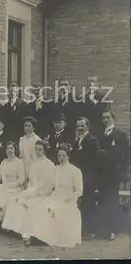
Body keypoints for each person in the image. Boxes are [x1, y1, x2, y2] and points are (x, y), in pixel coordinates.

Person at [23, 143, 83, 247]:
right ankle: (38, 236)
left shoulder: (75, 171)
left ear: (68, 156)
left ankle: (42, 239)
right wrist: (39, 194)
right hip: (55, 197)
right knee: (39, 207)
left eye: (63, 155)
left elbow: (79, 191)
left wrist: (68, 199)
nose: (61, 158)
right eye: (59, 155)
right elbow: (51, 186)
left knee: (49, 210)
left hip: (68, 200)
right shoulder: (56, 169)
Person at [1, 140, 56, 242]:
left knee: (26, 204)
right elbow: (31, 180)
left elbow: (49, 183)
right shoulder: (34, 163)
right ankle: (14, 228)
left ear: (45, 151)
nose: (37, 151)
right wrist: (30, 190)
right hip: (32, 189)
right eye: (36, 149)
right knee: (15, 199)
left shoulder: (49, 164)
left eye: (40, 149)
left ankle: (24, 230)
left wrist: (38, 192)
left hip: (42, 192)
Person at [93, 110, 130, 241]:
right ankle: (103, 229)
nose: (105, 120)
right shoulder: (99, 134)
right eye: (103, 118)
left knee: (112, 200)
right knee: (102, 199)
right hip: (101, 172)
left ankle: (113, 230)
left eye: (108, 117)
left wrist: (123, 169)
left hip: (114, 172)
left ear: (113, 118)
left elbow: (126, 154)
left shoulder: (121, 134)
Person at [70, 117, 99, 237]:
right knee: (80, 202)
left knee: (88, 203)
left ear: (88, 126)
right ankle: (80, 228)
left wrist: (87, 178)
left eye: (82, 126)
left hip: (88, 177)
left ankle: (89, 230)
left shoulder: (92, 140)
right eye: (78, 126)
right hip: (79, 176)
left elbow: (94, 161)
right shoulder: (78, 140)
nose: (80, 128)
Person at [80, 75, 111, 140]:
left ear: (97, 84)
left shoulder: (104, 97)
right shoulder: (83, 98)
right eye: (90, 82)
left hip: (100, 128)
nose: (92, 84)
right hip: (88, 129)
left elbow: (108, 113)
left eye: (93, 82)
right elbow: (82, 114)